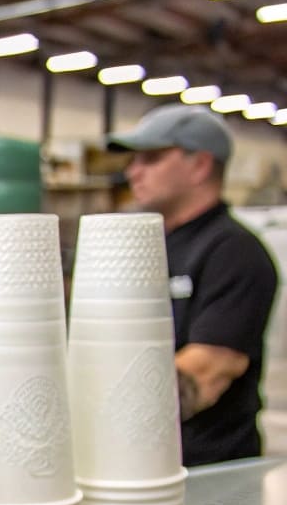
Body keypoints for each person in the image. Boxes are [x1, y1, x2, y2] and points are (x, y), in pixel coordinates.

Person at [107, 103, 279, 466]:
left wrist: (98, 410)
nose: (133, 172)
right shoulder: (147, 246)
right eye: (133, 160)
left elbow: (210, 369)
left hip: (205, 469)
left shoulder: (233, 252)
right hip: (135, 460)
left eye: (150, 159)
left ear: (199, 165)